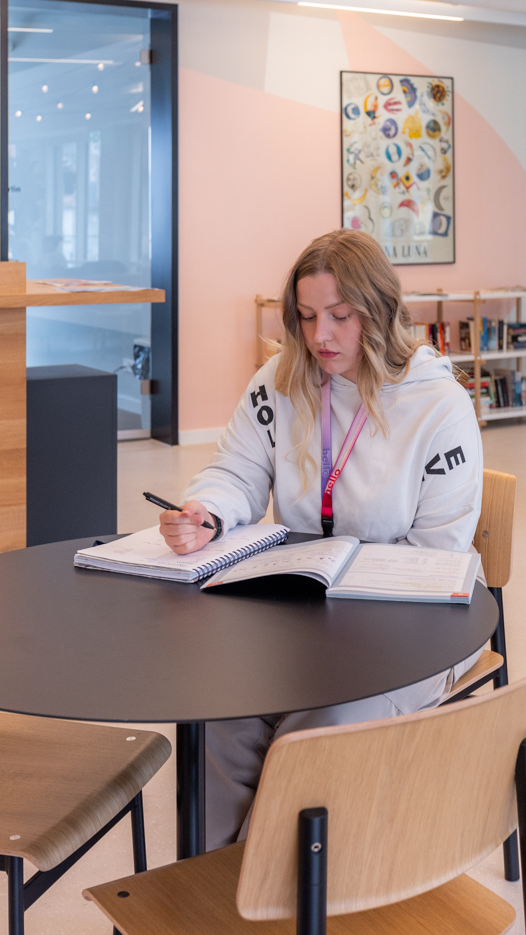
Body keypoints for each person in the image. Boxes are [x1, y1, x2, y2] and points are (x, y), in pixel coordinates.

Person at [161, 229, 483, 845]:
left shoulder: (439, 405)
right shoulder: (280, 381)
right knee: (218, 715)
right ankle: (214, 882)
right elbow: (238, 471)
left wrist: (342, 609)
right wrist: (207, 510)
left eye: (340, 316)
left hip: (411, 624)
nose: (319, 336)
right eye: (306, 317)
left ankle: (270, 886)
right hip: (305, 614)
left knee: (313, 734)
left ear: (379, 310)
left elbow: (438, 555)